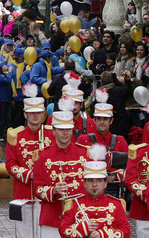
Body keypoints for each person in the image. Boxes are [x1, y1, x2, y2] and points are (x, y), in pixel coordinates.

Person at [32, 99, 87, 237]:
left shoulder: (85, 154)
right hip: (52, 216)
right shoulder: (42, 156)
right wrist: (54, 190)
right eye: (61, 129)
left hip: (79, 216)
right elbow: (38, 189)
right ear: (54, 130)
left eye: (68, 129)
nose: (65, 133)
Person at [59, 144, 130, 238]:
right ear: (84, 183)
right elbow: (63, 230)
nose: (94, 185)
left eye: (99, 181)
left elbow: (126, 231)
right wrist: (83, 228)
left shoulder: (116, 204)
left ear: (105, 183)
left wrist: (103, 234)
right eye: (90, 180)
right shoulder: (73, 204)